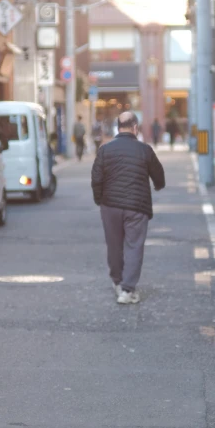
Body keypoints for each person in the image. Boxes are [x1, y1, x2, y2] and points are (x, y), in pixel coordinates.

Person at [91, 111, 165, 305]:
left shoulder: (105, 150)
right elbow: (159, 176)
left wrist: (100, 200)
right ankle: (127, 289)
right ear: (135, 128)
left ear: (118, 127)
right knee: (134, 246)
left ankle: (117, 282)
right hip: (136, 206)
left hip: (110, 206)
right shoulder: (144, 150)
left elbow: (96, 178)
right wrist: (158, 185)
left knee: (114, 245)